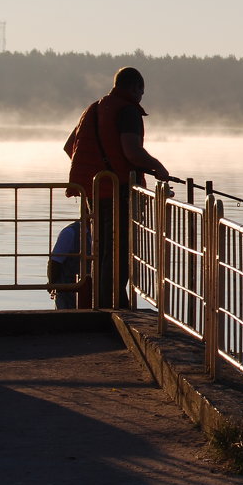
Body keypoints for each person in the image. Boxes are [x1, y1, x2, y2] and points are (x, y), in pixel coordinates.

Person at [63, 66, 170, 307]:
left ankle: (100, 302)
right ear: (134, 88)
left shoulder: (93, 109)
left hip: (93, 191)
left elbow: (70, 147)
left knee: (100, 250)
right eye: (142, 92)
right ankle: (114, 305)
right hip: (117, 192)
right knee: (119, 250)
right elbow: (131, 151)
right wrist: (158, 167)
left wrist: (99, 168)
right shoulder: (127, 111)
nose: (141, 97)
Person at [47, 220, 84, 309]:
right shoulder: (70, 233)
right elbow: (54, 263)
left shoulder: (96, 233)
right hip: (67, 295)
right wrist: (52, 283)